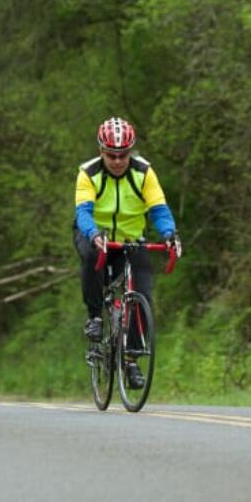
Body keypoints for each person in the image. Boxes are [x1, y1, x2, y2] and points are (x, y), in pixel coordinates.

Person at [74, 116, 181, 389]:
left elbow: (159, 209)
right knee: (90, 259)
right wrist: (94, 234)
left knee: (142, 293)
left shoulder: (144, 172)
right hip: (95, 235)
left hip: (132, 239)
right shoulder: (88, 173)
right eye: (111, 154)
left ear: (130, 151)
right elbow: (83, 212)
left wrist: (169, 234)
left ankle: (131, 359)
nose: (118, 160)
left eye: (123, 154)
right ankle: (95, 317)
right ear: (101, 151)